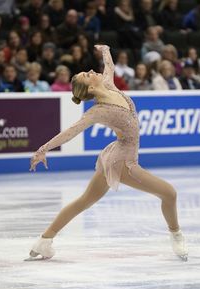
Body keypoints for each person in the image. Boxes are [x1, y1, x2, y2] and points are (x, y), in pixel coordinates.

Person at [27, 44, 188, 261]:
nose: (91, 71)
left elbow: (109, 67)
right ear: (90, 89)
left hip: (113, 154)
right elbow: (71, 132)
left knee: (84, 200)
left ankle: (44, 241)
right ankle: (176, 235)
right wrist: (43, 149)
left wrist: (105, 50)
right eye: (87, 74)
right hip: (122, 162)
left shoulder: (108, 84)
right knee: (169, 193)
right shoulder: (98, 111)